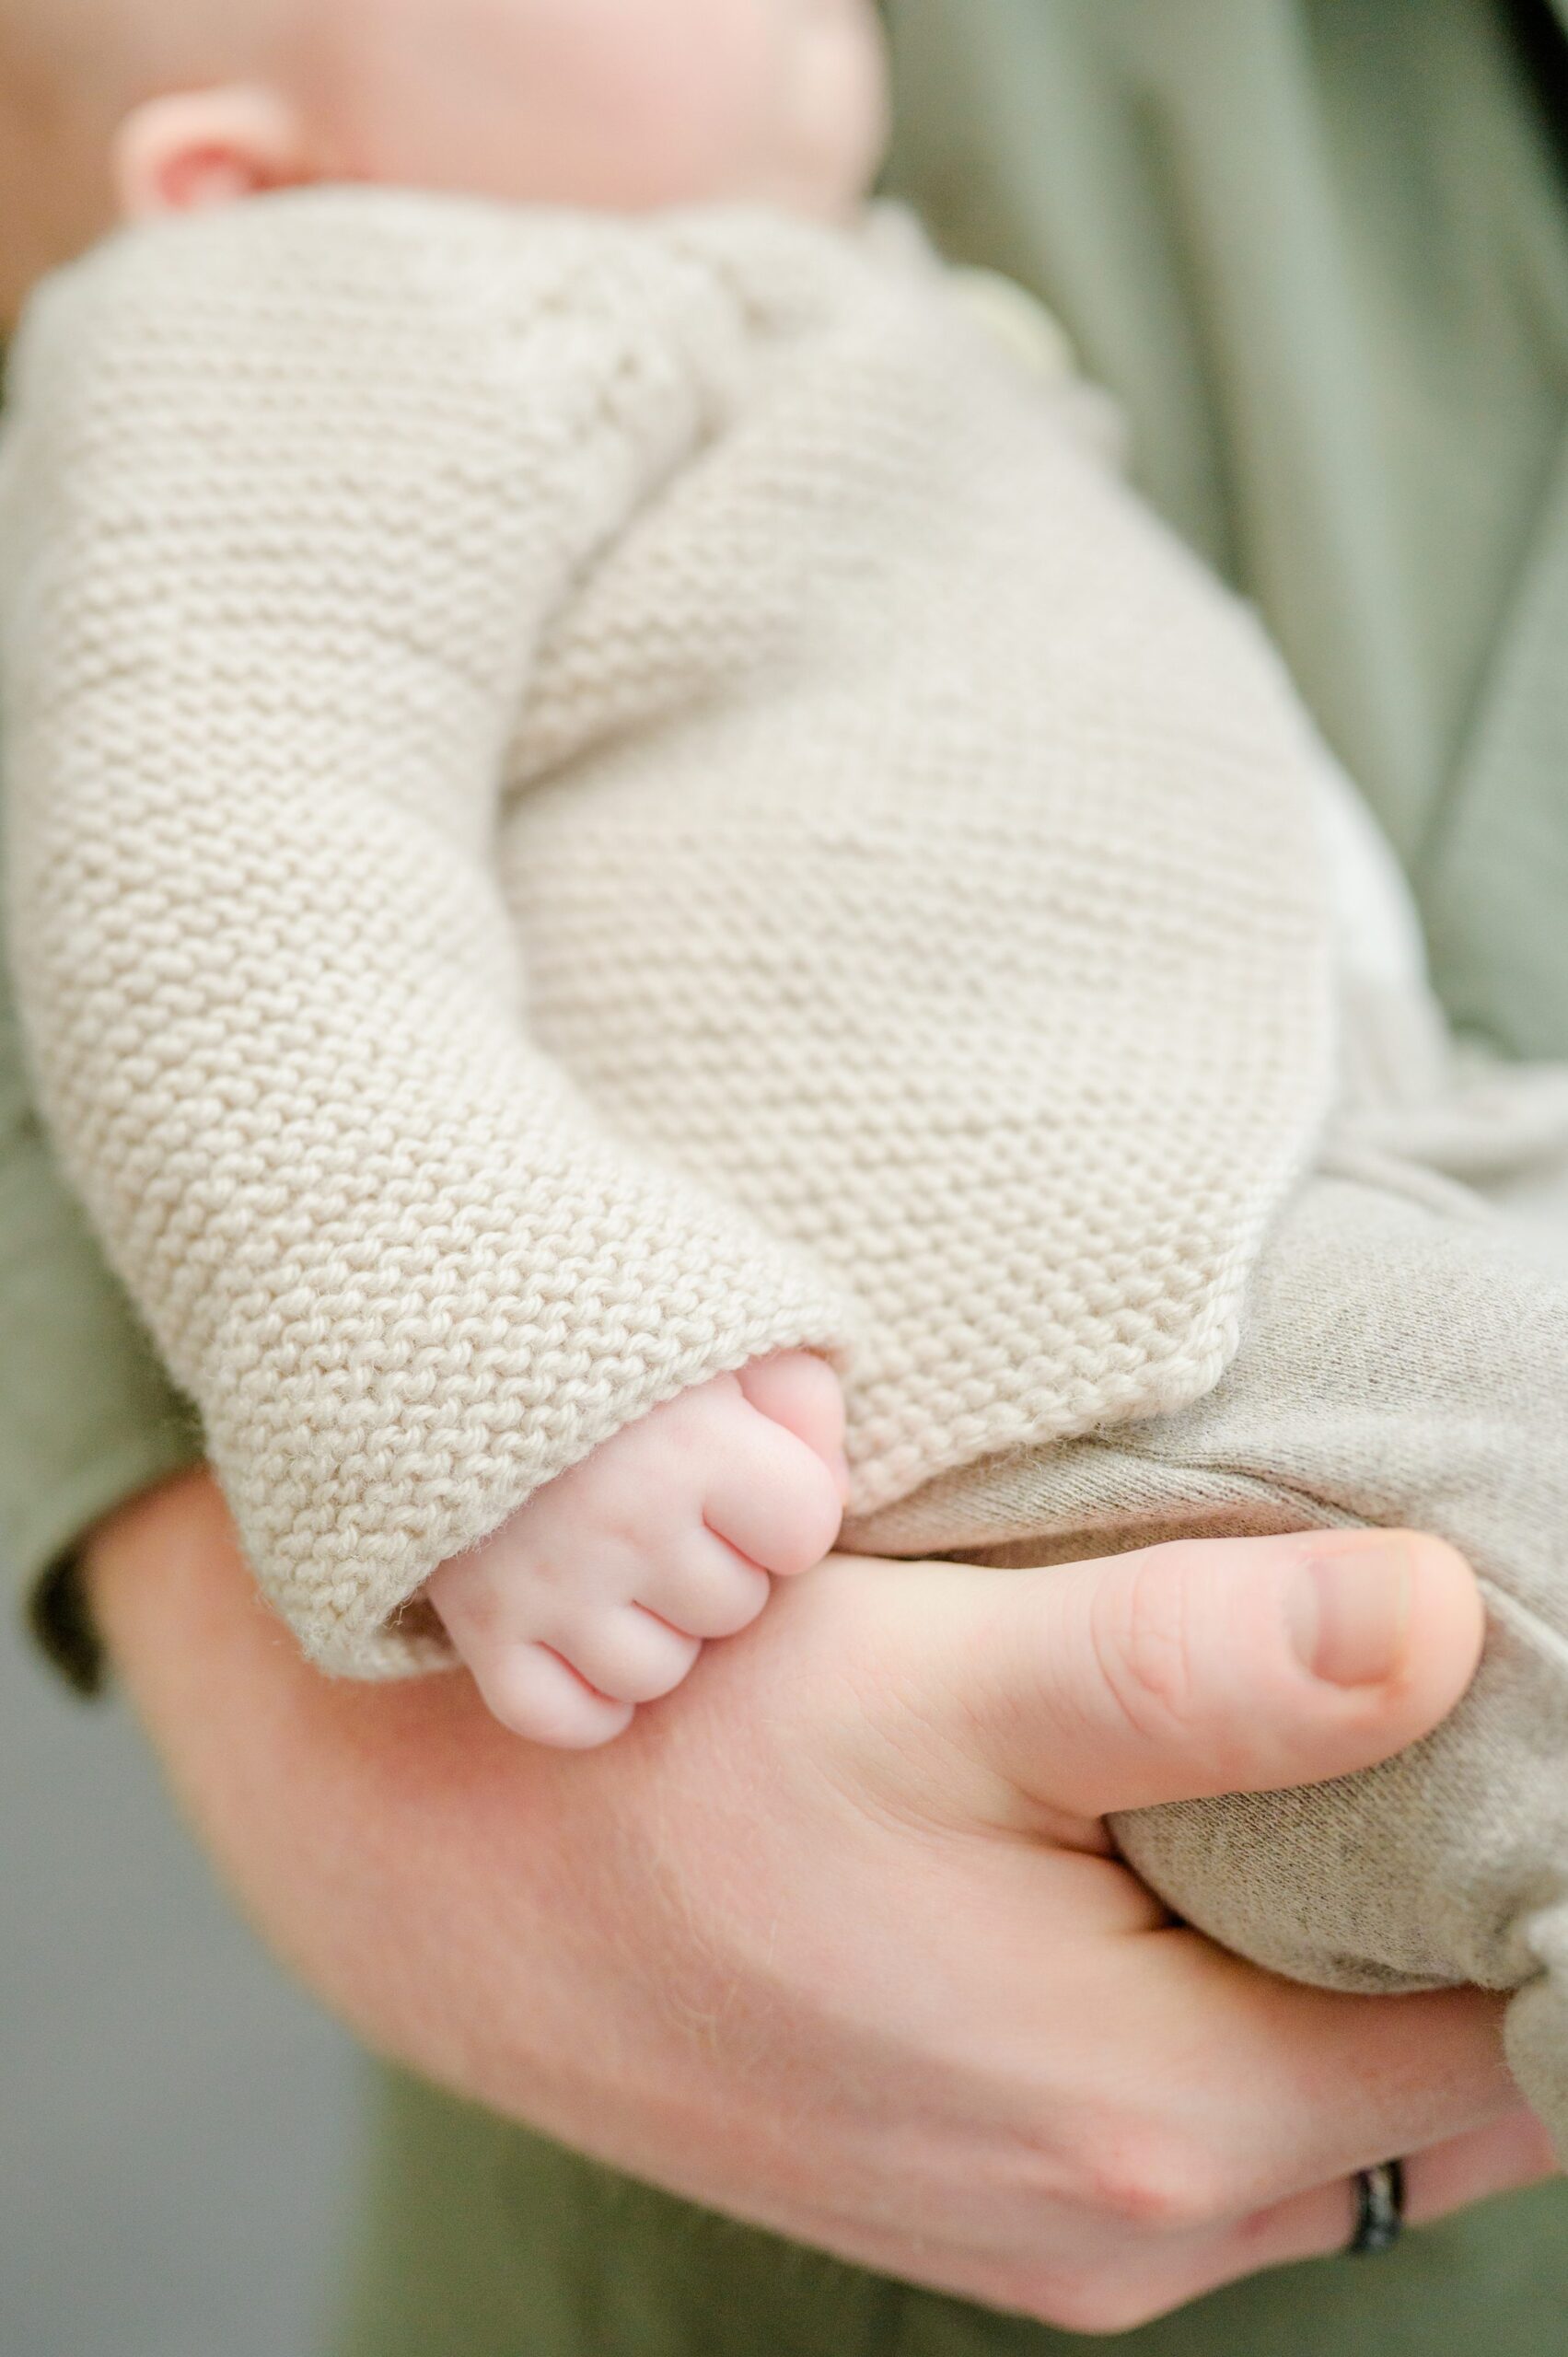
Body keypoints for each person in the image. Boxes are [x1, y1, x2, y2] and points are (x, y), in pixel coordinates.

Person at [4, 0, 1566, 2349]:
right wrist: (511, 1364)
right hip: (1047, 1336)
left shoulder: (812, 299)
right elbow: (209, 877)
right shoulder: (293, 324)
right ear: (248, 175)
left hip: (1325, 1174)